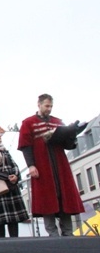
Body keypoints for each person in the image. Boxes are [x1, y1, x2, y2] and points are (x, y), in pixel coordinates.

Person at [18, 94, 85, 236]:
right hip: (42, 165)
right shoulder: (28, 122)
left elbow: (66, 144)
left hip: (60, 165)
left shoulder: (57, 122)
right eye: (46, 106)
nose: (49, 109)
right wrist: (31, 165)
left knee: (64, 196)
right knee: (47, 198)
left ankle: (68, 233)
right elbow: (25, 146)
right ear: (39, 104)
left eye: (51, 106)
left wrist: (72, 134)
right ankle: (52, 235)